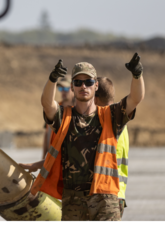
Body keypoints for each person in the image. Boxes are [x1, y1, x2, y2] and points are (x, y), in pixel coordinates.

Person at [20, 55, 144, 223]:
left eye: (88, 82)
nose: (83, 86)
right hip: (73, 200)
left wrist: (137, 75)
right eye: (78, 82)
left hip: (105, 198)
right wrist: (52, 80)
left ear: (96, 85)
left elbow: (135, 99)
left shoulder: (111, 115)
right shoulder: (64, 117)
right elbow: (47, 104)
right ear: (72, 87)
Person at [94, 77, 129, 217]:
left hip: (108, 193)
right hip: (119, 193)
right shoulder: (119, 120)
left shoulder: (106, 121)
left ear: (95, 98)